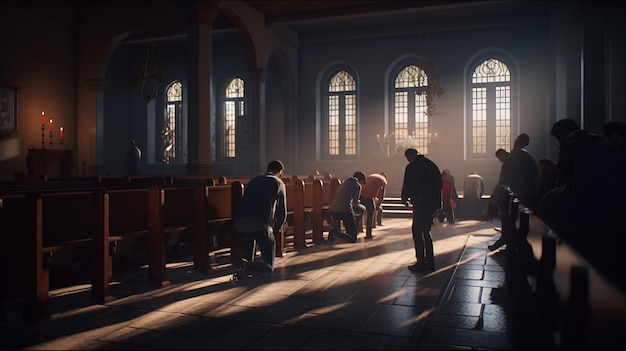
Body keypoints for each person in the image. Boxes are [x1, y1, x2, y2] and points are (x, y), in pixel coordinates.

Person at [539, 119, 626, 235]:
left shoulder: (569, 146)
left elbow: (565, 180)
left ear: (559, 136)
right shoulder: (601, 145)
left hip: (581, 209)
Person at [232, 160, 287, 281]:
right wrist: (276, 229)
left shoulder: (253, 180)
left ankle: (246, 265)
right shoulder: (279, 183)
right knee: (268, 265)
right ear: (280, 172)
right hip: (262, 227)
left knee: (248, 246)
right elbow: (282, 213)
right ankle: (246, 265)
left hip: (240, 224)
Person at [487, 134, 541, 251]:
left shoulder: (511, 159)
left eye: (500, 158)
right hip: (533, 194)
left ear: (503, 154)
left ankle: (508, 243)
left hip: (524, 195)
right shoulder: (524, 155)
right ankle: (509, 243)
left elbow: (502, 183)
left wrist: (492, 201)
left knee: (509, 219)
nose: (500, 161)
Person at [401, 148, 442, 274]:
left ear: (410, 156)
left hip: (421, 204)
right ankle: (430, 262)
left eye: (408, 158)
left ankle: (420, 263)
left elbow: (408, 183)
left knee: (417, 232)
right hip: (432, 204)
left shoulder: (412, 166)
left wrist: (404, 198)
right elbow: (439, 183)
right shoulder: (431, 164)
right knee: (426, 232)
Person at [328, 171, 367, 243]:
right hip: (345, 212)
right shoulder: (357, 185)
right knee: (353, 238)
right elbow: (355, 202)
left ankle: (334, 234)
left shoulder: (344, 183)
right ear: (361, 180)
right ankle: (334, 232)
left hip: (333, 210)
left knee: (350, 232)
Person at [359, 172, 388, 239]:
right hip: (369, 198)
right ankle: (368, 234)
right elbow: (381, 195)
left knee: (360, 212)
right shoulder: (384, 181)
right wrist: (378, 206)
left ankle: (358, 230)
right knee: (370, 216)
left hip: (361, 195)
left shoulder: (371, 175)